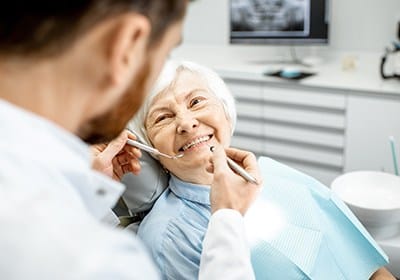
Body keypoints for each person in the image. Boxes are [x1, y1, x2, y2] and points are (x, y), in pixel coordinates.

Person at [0, 1, 262, 279]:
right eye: (167, 53)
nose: (186, 123)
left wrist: (87, 192)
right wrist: (227, 220)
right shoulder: (107, 261)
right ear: (128, 44)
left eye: (197, 101)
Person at [129, 60, 396, 280]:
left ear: (225, 110)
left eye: (196, 102)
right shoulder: (168, 238)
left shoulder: (275, 173)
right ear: (151, 148)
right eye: (163, 118)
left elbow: (368, 267)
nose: (186, 123)